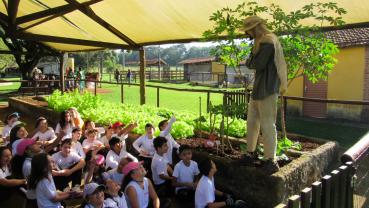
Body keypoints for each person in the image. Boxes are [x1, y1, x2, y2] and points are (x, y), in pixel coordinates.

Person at [240, 15, 288, 173]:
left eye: (248, 31)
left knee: (268, 124)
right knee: (252, 121)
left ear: (255, 28)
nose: (248, 34)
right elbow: (255, 63)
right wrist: (251, 60)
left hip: (267, 88)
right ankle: (250, 152)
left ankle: (270, 159)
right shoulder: (261, 41)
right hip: (259, 87)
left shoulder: (268, 41)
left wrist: (249, 60)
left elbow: (257, 64)